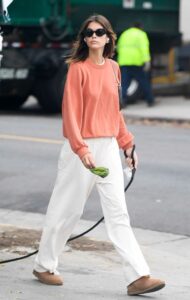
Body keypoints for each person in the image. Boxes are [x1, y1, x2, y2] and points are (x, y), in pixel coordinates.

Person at [33, 14, 165, 296]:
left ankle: (138, 276)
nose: (93, 36)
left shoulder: (114, 68)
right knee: (67, 210)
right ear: (84, 38)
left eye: (99, 31)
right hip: (79, 147)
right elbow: (69, 115)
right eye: (88, 32)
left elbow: (114, 112)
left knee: (118, 212)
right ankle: (44, 265)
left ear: (108, 37)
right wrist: (81, 150)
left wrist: (127, 144)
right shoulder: (77, 69)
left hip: (107, 147)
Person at [117, 22, 154, 107]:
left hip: (124, 62)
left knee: (124, 83)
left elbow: (118, 47)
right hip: (136, 62)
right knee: (143, 81)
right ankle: (150, 100)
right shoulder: (141, 34)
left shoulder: (125, 34)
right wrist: (147, 61)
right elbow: (144, 48)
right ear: (140, 27)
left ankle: (122, 101)